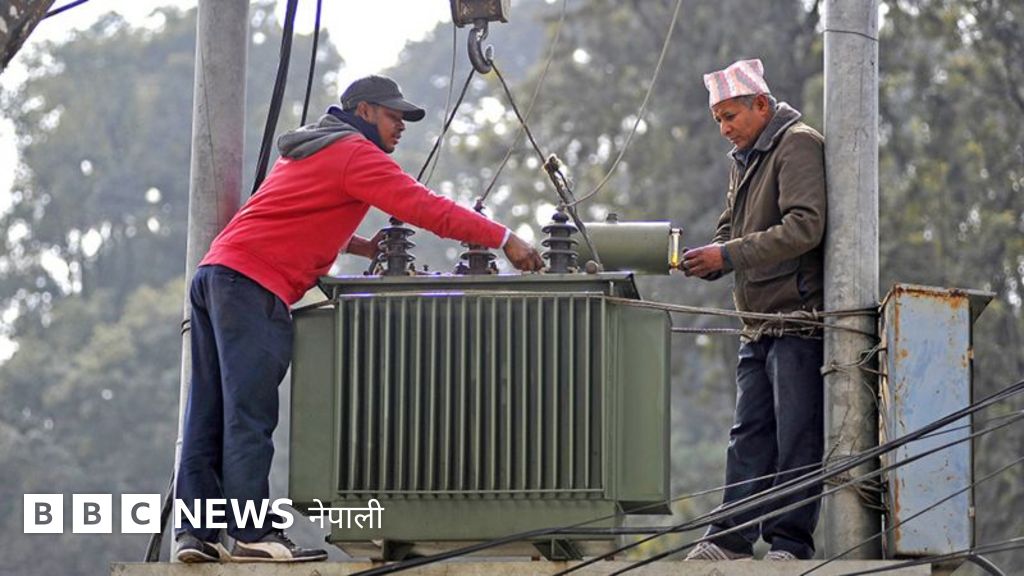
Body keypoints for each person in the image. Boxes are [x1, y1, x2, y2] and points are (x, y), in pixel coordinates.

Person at [174, 74, 544, 563]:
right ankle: (250, 535)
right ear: (364, 111)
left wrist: (358, 245)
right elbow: (424, 207)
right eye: (393, 116)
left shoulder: (310, 147)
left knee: (207, 414)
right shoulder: (355, 152)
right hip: (253, 285)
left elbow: (295, 211)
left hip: (216, 275)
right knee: (249, 414)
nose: (401, 126)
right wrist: (504, 238)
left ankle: (195, 535)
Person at [681, 59, 827, 561]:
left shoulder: (797, 144)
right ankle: (730, 538)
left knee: (796, 437)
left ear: (761, 105)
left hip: (797, 320)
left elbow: (804, 227)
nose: (724, 129)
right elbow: (731, 226)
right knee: (748, 436)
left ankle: (790, 543)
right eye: (717, 120)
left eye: (730, 116)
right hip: (758, 323)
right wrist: (710, 257)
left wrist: (728, 255)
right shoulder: (744, 158)